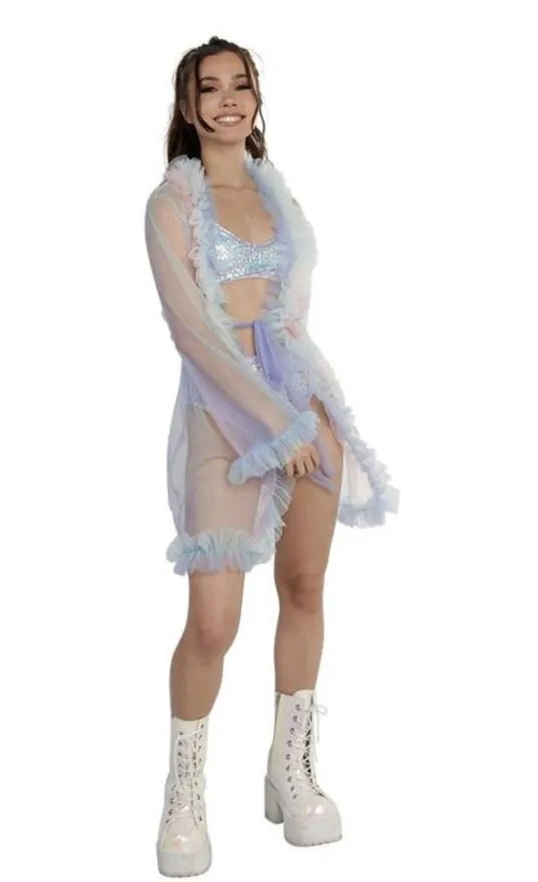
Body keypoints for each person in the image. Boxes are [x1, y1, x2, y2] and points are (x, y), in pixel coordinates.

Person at [144, 36, 400, 877]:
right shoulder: (171, 203)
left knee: (305, 586)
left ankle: (290, 770)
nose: (227, 100)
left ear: (256, 98)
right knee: (213, 622)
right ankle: (184, 793)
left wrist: (312, 416)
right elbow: (194, 333)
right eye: (209, 88)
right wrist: (274, 427)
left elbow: (288, 321)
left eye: (240, 85)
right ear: (188, 107)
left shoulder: (275, 194)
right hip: (225, 416)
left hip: (302, 400)